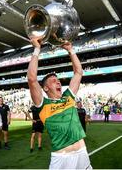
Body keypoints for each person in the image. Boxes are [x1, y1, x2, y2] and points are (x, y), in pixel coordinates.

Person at [27, 37, 92, 169]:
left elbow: (78, 72)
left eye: (58, 80)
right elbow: (32, 78)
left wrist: (70, 50)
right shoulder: (43, 104)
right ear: (45, 88)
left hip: (82, 154)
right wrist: (37, 49)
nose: (58, 82)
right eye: (53, 80)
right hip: (62, 159)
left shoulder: (68, 97)